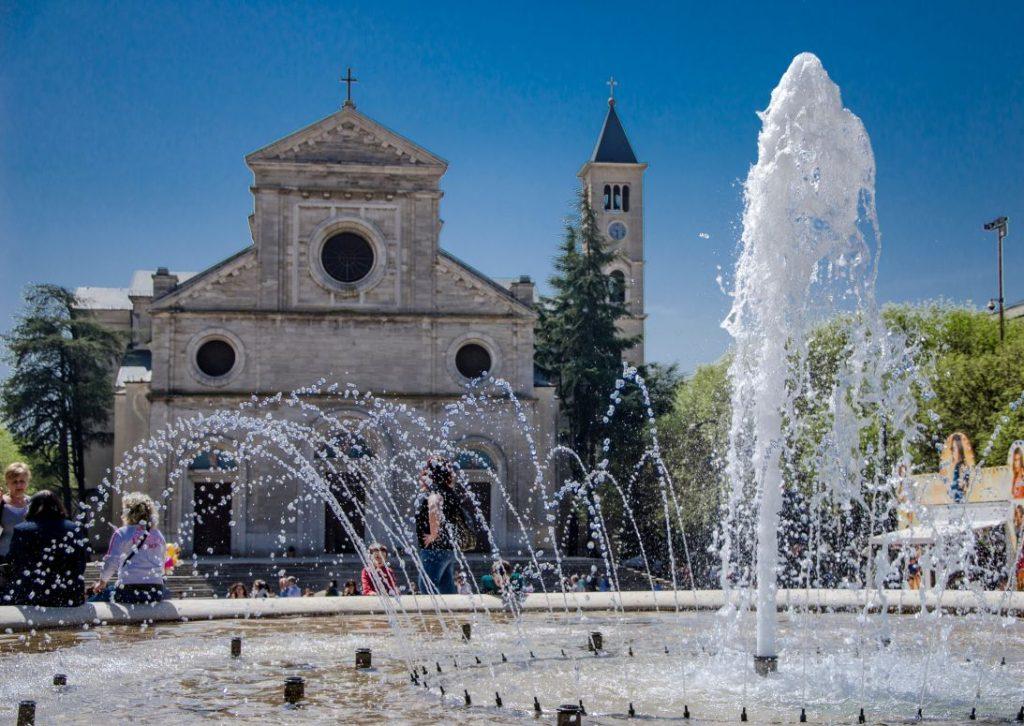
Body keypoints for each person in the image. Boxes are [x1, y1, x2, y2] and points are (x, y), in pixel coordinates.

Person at [4, 490, 91, 607]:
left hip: (31, 596)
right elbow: (81, 561)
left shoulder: (22, 530)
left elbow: (13, 561)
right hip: (69, 595)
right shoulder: (73, 528)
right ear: (59, 506)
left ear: (32, 507)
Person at [91, 492, 167, 604]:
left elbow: (111, 561)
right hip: (156, 591)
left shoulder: (121, 533)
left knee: (92, 601)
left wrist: (102, 582)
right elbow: (162, 562)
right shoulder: (157, 534)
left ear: (128, 512)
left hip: (129, 589)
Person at [415, 456, 463, 595]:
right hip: (447, 549)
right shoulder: (449, 492)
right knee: (446, 590)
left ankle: (430, 617)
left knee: (427, 590)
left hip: (433, 550)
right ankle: (451, 617)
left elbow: (433, 504)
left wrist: (433, 534)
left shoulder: (434, 491)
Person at [0, 463, 32, 569]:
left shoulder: (33, 503)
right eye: (14, 482)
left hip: (28, 555)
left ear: (27, 482)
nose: (18, 485)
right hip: (4, 555)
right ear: (7, 484)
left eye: (22, 481)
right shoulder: (2, 502)